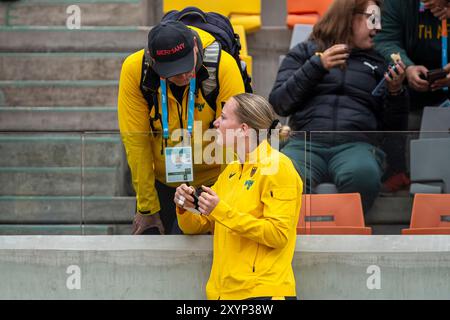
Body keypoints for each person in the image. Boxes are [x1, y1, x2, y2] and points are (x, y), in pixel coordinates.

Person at [268, 0, 409, 213]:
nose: (378, 27)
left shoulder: (381, 62)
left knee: (363, 175)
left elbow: (394, 128)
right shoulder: (305, 53)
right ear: (349, 17)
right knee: (283, 175)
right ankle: (294, 236)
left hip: (356, 145)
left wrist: (396, 92)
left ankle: (346, 235)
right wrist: (317, 66)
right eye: (373, 19)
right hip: (305, 143)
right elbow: (279, 103)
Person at [118, 20, 245, 235]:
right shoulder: (135, 70)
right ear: (154, 62)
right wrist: (147, 207)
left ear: (195, 46)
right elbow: (135, 141)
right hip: (163, 181)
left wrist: (225, 202)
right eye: (174, 72)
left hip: (213, 181)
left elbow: (234, 139)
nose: (184, 76)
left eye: (187, 66)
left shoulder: (223, 66)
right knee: (155, 250)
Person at [174, 93, 303, 300]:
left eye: (224, 118)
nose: (216, 123)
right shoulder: (231, 171)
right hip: (224, 294)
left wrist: (221, 210)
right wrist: (185, 205)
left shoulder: (278, 167)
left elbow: (278, 235)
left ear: (243, 129)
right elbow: (196, 225)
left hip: (262, 293)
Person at [374, 0, 450, 192]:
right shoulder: (397, 3)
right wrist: (407, 67)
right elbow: (385, 40)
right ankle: (398, 171)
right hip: (410, 85)